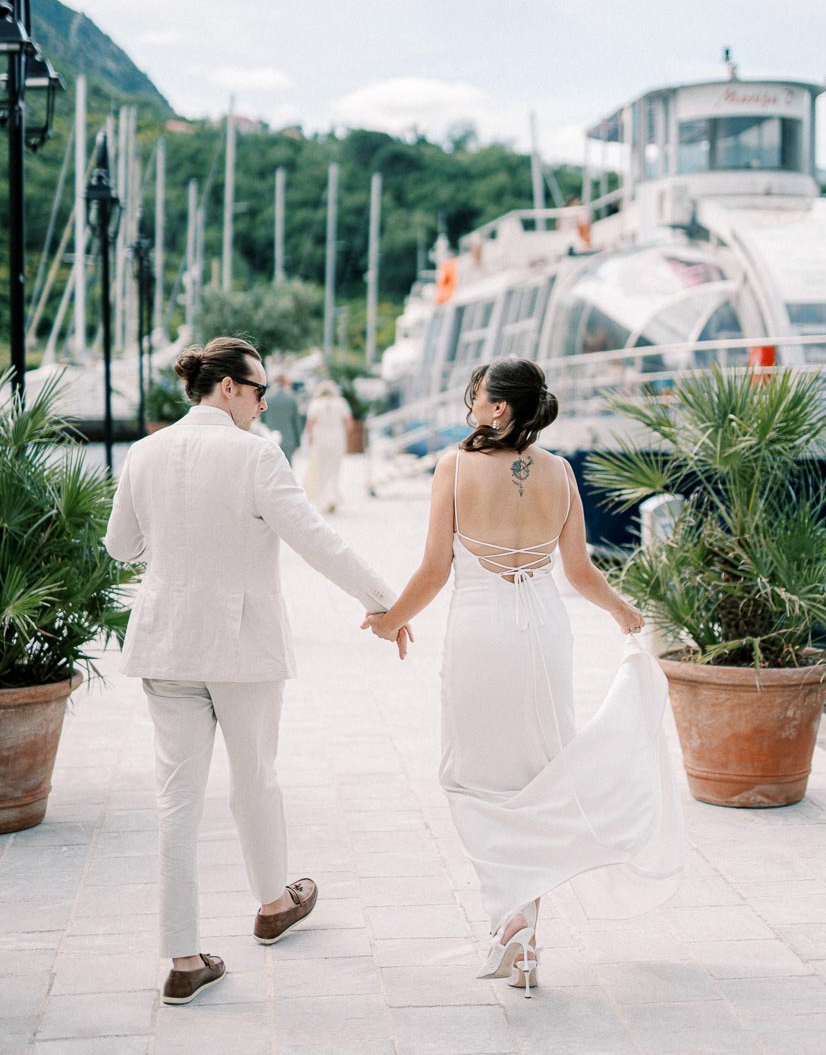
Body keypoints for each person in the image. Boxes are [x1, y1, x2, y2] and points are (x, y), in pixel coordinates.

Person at [104, 337, 412, 1006]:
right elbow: (315, 539)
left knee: (176, 803)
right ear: (227, 388)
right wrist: (383, 602)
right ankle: (273, 905)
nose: (266, 400)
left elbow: (122, 547)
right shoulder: (255, 454)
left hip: (167, 643)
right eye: (260, 388)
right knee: (255, 778)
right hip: (241, 644)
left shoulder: (143, 453)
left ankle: (183, 960)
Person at [363, 357, 683, 996]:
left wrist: (388, 619)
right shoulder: (561, 473)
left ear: (499, 408)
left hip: (480, 632)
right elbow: (581, 574)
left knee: (470, 778)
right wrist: (626, 615)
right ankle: (526, 940)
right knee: (536, 780)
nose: (470, 405)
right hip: (543, 634)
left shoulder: (453, 467)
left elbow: (433, 571)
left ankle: (512, 919)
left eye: (476, 396)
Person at [304, 378, 353, 513]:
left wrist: (310, 439)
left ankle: (321, 499)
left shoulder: (315, 404)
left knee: (320, 470)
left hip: (320, 440)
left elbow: (310, 424)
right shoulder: (341, 403)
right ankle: (332, 498)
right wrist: (345, 436)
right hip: (337, 440)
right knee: (335, 470)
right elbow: (349, 423)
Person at [261, 373, 303, 467]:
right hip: (288, 439)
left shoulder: (266, 397)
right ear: (285, 382)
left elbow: (261, 420)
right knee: (287, 468)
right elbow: (296, 422)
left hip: (269, 438)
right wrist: (298, 442)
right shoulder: (292, 398)